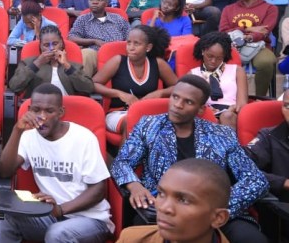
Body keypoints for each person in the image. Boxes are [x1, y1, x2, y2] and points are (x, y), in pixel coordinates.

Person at [111, 75, 270, 243]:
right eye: (175, 97)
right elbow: (122, 162)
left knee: (251, 238)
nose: (177, 105)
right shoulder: (149, 125)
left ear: (201, 109)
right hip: (164, 210)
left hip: (214, 214)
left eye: (188, 102)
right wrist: (134, 185)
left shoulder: (221, 135)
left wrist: (210, 210)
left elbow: (256, 180)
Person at [0, 83, 114, 242]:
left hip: (90, 219)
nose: (42, 116)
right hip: (50, 216)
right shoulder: (28, 137)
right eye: (36, 110)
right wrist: (17, 130)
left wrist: (60, 209)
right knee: (6, 219)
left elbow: (99, 190)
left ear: (61, 112)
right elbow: (5, 171)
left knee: (57, 233)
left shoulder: (84, 138)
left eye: (49, 111)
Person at [116, 158, 232, 243]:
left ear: (218, 218)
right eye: (161, 194)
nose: (164, 208)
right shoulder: (132, 239)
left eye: (183, 200)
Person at [93, 25, 178, 134]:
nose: (131, 47)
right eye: (128, 42)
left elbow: (179, 87)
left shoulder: (158, 63)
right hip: (119, 113)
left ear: (148, 47)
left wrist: (161, 93)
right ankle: (127, 152)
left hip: (149, 112)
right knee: (133, 122)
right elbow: (93, 84)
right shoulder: (118, 61)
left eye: (136, 43)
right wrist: (119, 94)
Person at [219, 0, 277, 97]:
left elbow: (264, 31)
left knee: (266, 62)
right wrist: (248, 29)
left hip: (259, 46)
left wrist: (248, 36)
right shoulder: (228, 9)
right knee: (219, 62)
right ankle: (229, 98)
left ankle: (259, 98)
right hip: (233, 46)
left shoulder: (270, 8)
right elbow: (223, 31)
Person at [8, 25, 93, 99]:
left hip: (67, 108)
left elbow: (88, 88)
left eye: (55, 43)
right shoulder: (28, 63)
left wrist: (67, 66)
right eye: (46, 45)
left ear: (62, 44)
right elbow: (14, 86)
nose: (51, 48)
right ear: (40, 46)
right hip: (38, 109)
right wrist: (37, 63)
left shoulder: (73, 66)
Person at [189, 32, 248, 129]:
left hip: (231, 112)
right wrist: (206, 110)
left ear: (224, 56)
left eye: (219, 58)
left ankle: (229, 144)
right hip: (204, 112)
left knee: (226, 116)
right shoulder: (193, 74)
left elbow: (242, 104)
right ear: (203, 51)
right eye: (210, 56)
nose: (213, 61)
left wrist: (231, 109)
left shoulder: (237, 71)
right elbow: (190, 102)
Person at [68, 0, 130, 76]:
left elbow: (130, 37)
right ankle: (83, 86)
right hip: (95, 54)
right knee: (86, 53)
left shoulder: (118, 19)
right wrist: (94, 41)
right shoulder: (83, 19)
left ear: (106, 2)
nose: (94, 2)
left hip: (117, 54)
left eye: (99, 0)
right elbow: (71, 38)